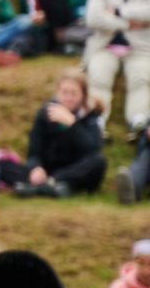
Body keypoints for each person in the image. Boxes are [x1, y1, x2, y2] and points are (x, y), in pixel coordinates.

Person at [85, 0, 150, 129]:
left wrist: (120, 10)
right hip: (104, 46)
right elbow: (93, 18)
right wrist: (128, 24)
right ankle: (97, 120)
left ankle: (138, 119)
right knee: (98, 76)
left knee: (141, 77)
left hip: (141, 47)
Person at [17, 69, 106, 197]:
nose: (69, 98)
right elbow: (34, 151)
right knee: (5, 164)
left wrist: (72, 124)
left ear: (83, 95)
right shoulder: (45, 113)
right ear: (58, 93)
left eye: (74, 93)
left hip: (76, 172)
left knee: (99, 161)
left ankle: (48, 185)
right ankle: (52, 187)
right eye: (64, 93)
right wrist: (36, 167)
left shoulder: (91, 115)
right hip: (50, 169)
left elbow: (92, 149)